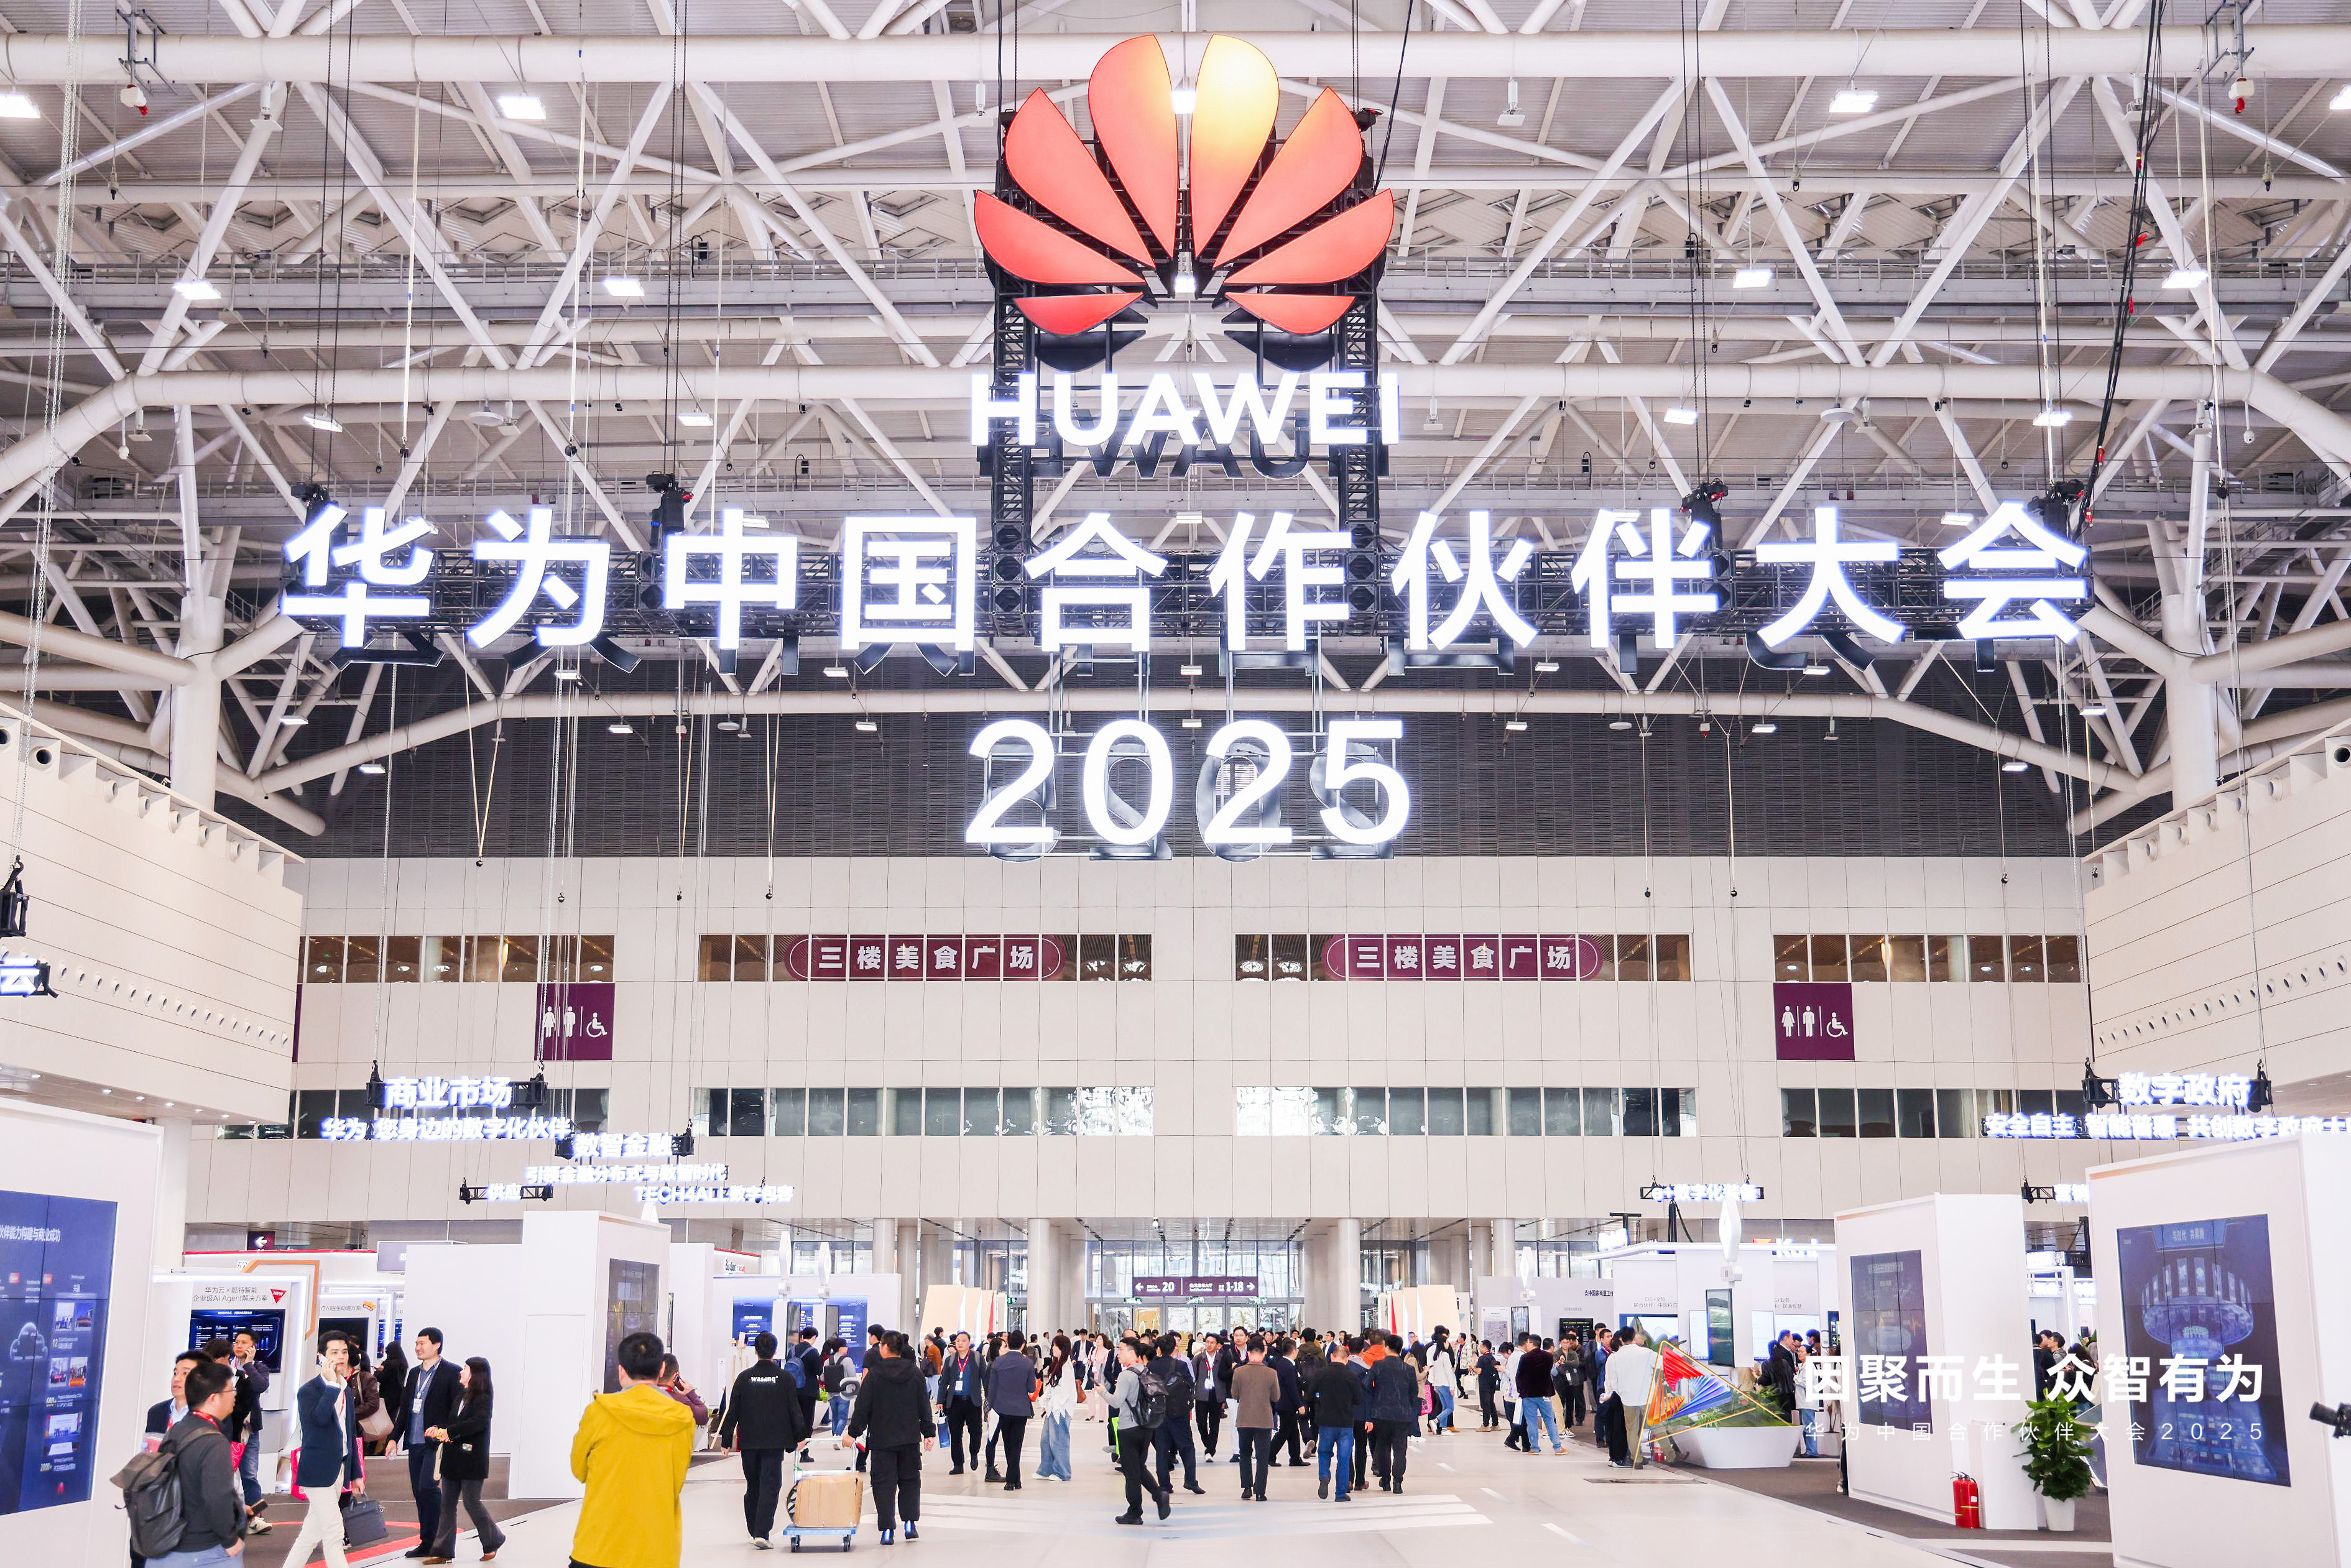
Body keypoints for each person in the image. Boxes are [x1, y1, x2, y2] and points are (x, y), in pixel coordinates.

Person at [568, 1330, 695, 1568]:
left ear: (621, 1371)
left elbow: (579, 1469)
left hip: (598, 1547)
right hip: (656, 1549)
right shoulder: (682, 1419)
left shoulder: (598, 1412)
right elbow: (676, 1479)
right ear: (661, 1370)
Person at [149, 1358, 249, 1568]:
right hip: (203, 1552)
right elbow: (216, 1496)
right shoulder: (213, 1441)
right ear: (214, 1398)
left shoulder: (178, 1430)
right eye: (230, 1390)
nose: (234, 1396)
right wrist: (230, 1540)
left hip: (168, 1545)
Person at [716, 1332, 809, 1549]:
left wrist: (726, 1440)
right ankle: (761, 1532)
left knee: (754, 1485)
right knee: (770, 1485)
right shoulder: (785, 1378)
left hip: (749, 1442)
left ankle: (754, 1530)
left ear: (755, 1351)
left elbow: (732, 1410)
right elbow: (794, 1409)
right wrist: (800, 1435)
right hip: (774, 1442)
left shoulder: (744, 1378)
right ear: (775, 1351)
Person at [285, 1334, 367, 1568]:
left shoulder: (346, 1390)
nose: (341, 1357)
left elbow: (350, 1434)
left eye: (344, 1352)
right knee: (334, 1532)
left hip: (339, 1469)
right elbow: (319, 1420)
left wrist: (356, 1474)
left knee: (310, 1535)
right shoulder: (309, 1391)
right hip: (317, 1471)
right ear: (321, 1357)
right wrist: (331, 1386)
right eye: (334, 1353)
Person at [849, 1332, 936, 1544]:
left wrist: (853, 1433)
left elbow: (863, 1407)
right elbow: (924, 1405)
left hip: (882, 1439)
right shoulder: (915, 1373)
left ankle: (887, 1529)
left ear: (885, 1348)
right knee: (910, 1480)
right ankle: (910, 1524)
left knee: (883, 1483)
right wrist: (928, 1432)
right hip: (909, 1438)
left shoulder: (875, 1375)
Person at [422, 1357, 503, 1564]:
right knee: (447, 1505)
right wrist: (439, 1428)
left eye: (465, 1369)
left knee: (471, 1502)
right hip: (453, 1459)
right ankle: (443, 1551)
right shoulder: (460, 1396)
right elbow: (453, 1422)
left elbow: (478, 1423)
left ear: (475, 1374)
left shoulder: (483, 1399)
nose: (461, 1372)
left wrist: (449, 1432)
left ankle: (493, 1540)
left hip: (471, 1460)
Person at [402, 1329, 460, 1561]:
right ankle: (427, 1542)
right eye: (416, 1343)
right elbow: (406, 1408)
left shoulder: (452, 1372)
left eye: (422, 1343)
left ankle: (440, 1542)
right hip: (415, 1441)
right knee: (419, 1493)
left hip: (436, 1443)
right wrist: (394, 1438)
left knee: (428, 1488)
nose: (418, 1348)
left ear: (437, 1345)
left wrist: (442, 1428)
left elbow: (457, 1410)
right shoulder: (414, 1373)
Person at [1108, 1338, 1171, 1526]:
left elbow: (1116, 1402)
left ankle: (1134, 1512)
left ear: (1132, 1352)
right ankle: (1159, 1495)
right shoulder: (1145, 1370)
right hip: (1146, 1427)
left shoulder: (1126, 1375)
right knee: (1139, 1467)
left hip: (1128, 1429)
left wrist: (1103, 1391)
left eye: (1121, 1349)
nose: (1118, 1353)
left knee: (1131, 1473)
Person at [226, 1332, 272, 1533]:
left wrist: (248, 1365)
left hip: (248, 1431)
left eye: (244, 1342)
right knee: (225, 1476)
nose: (238, 1345)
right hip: (227, 1429)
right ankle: (226, 1518)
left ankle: (255, 1518)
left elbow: (260, 1387)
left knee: (250, 1475)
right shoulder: (225, 1367)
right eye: (236, 1342)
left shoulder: (259, 1368)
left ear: (253, 1347)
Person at [1147, 1334, 1201, 1496]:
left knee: (1162, 1450)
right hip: (1179, 1413)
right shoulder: (1181, 1365)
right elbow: (1191, 1384)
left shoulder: (1151, 1365)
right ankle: (1190, 1480)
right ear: (1174, 1347)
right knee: (1187, 1447)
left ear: (1159, 1348)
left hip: (1159, 1413)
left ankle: (1165, 1485)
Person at [1307, 1339, 1359, 1502]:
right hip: (1345, 1423)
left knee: (1324, 1453)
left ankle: (1324, 1474)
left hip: (1326, 1421)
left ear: (1331, 1357)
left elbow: (1310, 1394)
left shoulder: (1321, 1373)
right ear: (1346, 1359)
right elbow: (1359, 1399)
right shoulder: (1351, 1375)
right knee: (1344, 1458)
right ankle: (1340, 1493)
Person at [985, 1329, 1037, 1489]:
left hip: (1002, 1409)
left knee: (1008, 1444)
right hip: (1021, 1410)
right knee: (1017, 1445)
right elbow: (1031, 1388)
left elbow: (992, 1389)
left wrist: (989, 1409)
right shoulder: (1028, 1363)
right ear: (1023, 1345)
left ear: (1009, 1344)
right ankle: (1014, 1479)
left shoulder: (998, 1362)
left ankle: (1012, 1480)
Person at [1365, 1334, 1418, 1493]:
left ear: (1386, 1347)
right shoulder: (1408, 1369)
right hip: (1402, 1414)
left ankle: (1386, 1481)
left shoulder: (1378, 1366)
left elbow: (1366, 1384)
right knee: (1400, 1450)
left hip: (1381, 1414)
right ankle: (1398, 1483)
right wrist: (1407, 1405)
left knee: (1383, 1447)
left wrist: (1376, 1396)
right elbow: (1414, 1392)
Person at [1600, 1329, 1658, 1468]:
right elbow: (1612, 1381)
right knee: (1622, 1428)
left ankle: (1619, 1457)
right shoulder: (1618, 1357)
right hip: (1622, 1396)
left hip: (1618, 1395)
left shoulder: (1615, 1357)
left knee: (1619, 1428)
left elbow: (1611, 1381)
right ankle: (1621, 1458)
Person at [1231, 1337, 1278, 1501]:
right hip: (1264, 1419)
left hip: (1244, 1418)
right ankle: (1260, 1492)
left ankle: (1246, 1488)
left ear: (1249, 1353)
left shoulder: (1239, 1371)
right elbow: (1276, 1396)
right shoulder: (1271, 1373)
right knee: (1263, 1456)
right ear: (1264, 1353)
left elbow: (1234, 1394)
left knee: (1244, 1453)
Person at [936, 1332, 984, 1476]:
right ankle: (958, 1464)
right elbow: (944, 1381)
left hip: (972, 1401)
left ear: (969, 1343)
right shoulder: (950, 1360)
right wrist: (940, 1400)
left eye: (964, 1340)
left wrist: (989, 1399)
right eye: (958, 1340)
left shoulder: (978, 1358)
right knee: (956, 1434)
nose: (960, 1343)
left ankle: (974, 1453)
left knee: (976, 1431)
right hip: (955, 1402)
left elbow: (986, 1378)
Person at [1035, 1335, 1079, 1482]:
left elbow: (1066, 1392)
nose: (1052, 1348)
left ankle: (1063, 1472)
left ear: (1063, 1348)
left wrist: (1053, 1404)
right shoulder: (1058, 1364)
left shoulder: (1067, 1367)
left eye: (1055, 1346)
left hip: (1061, 1409)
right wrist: (1045, 1402)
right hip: (1053, 1408)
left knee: (1059, 1441)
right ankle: (1046, 1469)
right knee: (1046, 1439)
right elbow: (1052, 1387)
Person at [1515, 1334, 1563, 1454]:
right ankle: (1558, 1447)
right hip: (1544, 1394)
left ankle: (1534, 1448)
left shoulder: (1525, 1358)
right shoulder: (1549, 1357)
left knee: (1531, 1422)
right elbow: (1550, 1372)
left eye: (1528, 1342)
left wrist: (1521, 1390)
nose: (1527, 1345)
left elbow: (1519, 1376)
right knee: (1550, 1420)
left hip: (1528, 1395)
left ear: (1531, 1344)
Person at [147, 1351, 206, 1445]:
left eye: (185, 1374)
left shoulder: (209, 1415)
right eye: (175, 1373)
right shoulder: (157, 1412)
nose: (177, 1379)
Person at [790, 1328, 823, 1463]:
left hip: (793, 1391)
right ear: (814, 1337)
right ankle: (804, 1453)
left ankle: (793, 1447)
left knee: (795, 1420)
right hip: (808, 1392)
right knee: (807, 1423)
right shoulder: (813, 1352)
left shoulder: (792, 1350)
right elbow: (819, 1371)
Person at [1190, 1332, 1224, 1460]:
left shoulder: (1221, 1359)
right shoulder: (1199, 1358)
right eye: (1207, 1342)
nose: (1209, 1345)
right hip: (1201, 1394)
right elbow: (1192, 1377)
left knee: (1215, 1423)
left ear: (1217, 1345)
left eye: (1212, 1343)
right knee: (1201, 1422)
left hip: (1216, 1394)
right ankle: (1208, 1445)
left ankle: (1210, 1450)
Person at [377, 1342, 410, 1451]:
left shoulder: (389, 1364)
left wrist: (377, 1372)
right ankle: (389, 1443)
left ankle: (380, 1446)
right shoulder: (403, 1364)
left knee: (382, 1422)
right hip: (398, 1396)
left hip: (386, 1396)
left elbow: (382, 1378)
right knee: (392, 1421)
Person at [820, 1339, 854, 1442]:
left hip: (831, 1394)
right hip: (844, 1393)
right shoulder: (847, 1360)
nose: (847, 1348)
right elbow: (852, 1377)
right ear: (841, 1348)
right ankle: (837, 1436)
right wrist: (854, 1390)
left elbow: (822, 1378)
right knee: (843, 1418)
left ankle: (834, 1438)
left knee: (835, 1418)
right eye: (846, 1346)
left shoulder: (828, 1361)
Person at [1426, 1329, 1457, 1435]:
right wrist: (1452, 1387)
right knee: (1450, 1408)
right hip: (1446, 1385)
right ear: (1443, 1343)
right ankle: (1435, 1421)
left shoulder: (1436, 1356)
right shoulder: (1445, 1355)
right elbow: (1449, 1373)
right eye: (1447, 1342)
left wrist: (1434, 1385)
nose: (1448, 1344)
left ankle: (1443, 1429)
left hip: (1438, 1385)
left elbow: (1433, 1371)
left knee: (1445, 1407)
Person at [1557, 1334, 1587, 1429]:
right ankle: (1563, 1422)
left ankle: (1575, 1421)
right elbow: (1557, 1366)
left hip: (1575, 1379)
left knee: (1575, 1401)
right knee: (1562, 1402)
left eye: (1568, 1343)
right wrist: (1566, 1364)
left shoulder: (1576, 1352)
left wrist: (1565, 1363)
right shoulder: (1558, 1353)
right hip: (1562, 1380)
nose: (1567, 1345)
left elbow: (1578, 1363)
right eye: (1565, 1342)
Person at [1475, 1341, 1500, 1429]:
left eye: (1481, 1347)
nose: (1479, 1348)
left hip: (1484, 1385)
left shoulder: (1482, 1359)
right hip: (1492, 1384)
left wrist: (1472, 1368)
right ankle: (1495, 1424)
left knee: (1485, 1405)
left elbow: (1479, 1371)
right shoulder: (1492, 1357)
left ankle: (1485, 1425)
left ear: (1485, 1348)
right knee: (1491, 1403)